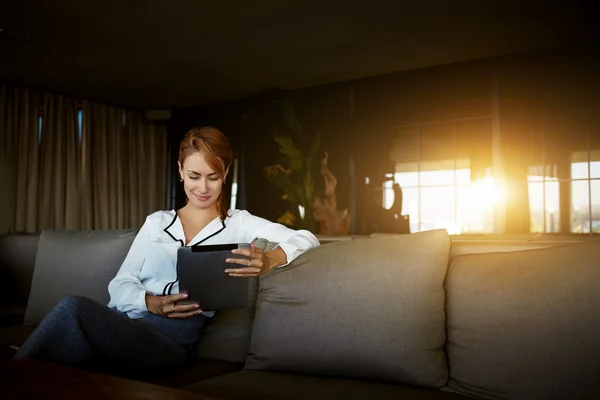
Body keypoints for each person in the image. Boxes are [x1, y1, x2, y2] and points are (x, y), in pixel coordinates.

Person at [14, 126, 320, 379]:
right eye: (194, 175)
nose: (202, 187)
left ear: (226, 173)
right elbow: (119, 285)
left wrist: (271, 259)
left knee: (72, 309)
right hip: (127, 323)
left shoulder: (239, 223)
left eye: (213, 176)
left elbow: (306, 238)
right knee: (66, 349)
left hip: (169, 344)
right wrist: (152, 302)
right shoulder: (157, 223)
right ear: (180, 171)